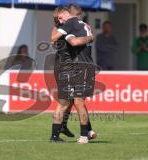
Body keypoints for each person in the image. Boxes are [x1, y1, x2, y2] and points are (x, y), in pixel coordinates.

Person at [50, 6, 96, 144]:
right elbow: (58, 40)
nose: (60, 20)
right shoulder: (66, 26)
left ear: (67, 14)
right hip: (66, 67)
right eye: (58, 19)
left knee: (72, 101)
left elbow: (64, 40)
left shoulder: (70, 26)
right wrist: (90, 37)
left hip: (72, 67)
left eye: (61, 17)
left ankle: (75, 130)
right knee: (71, 101)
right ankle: (84, 132)